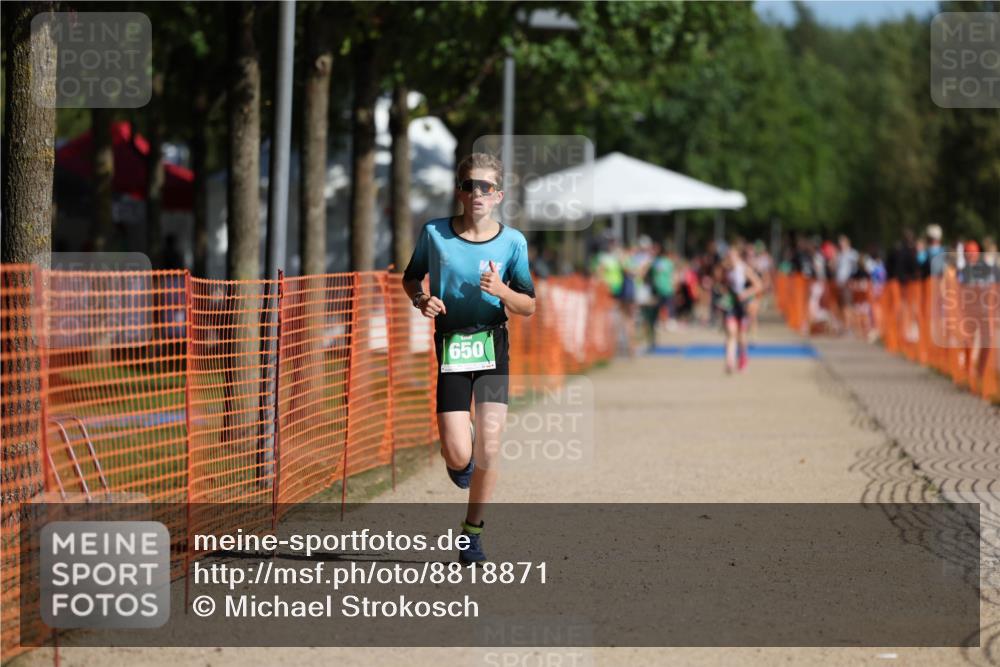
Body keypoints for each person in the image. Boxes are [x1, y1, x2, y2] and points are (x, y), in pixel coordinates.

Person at [401, 153, 536, 564]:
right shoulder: (434, 234)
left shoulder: (513, 242)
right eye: (468, 186)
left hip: (493, 346)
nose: (476, 193)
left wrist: (502, 291)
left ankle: (472, 534)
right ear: (459, 192)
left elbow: (528, 304)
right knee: (459, 456)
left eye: (485, 187)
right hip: (451, 348)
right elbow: (411, 278)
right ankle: (464, 460)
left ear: (498, 195)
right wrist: (422, 299)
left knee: (490, 449)